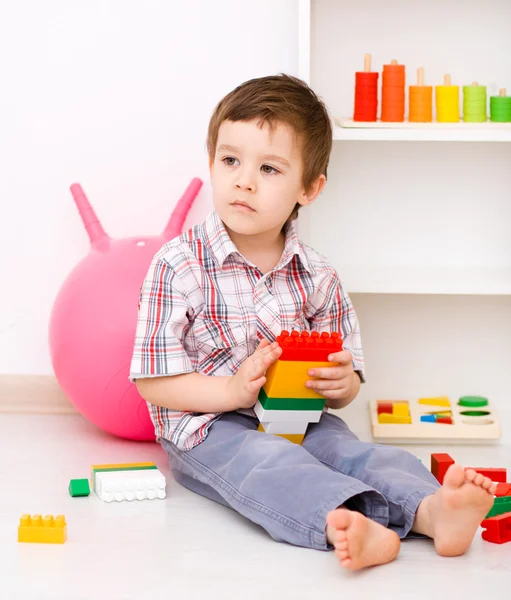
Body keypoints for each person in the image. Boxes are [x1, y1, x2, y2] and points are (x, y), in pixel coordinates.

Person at [129, 74, 495, 570]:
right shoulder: (178, 264)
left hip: (301, 419)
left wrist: (342, 384)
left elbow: (344, 386)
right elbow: (154, 382)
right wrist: (232, 394)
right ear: (212, 161)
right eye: (230, 160)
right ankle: (346, 519)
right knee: (270, 465)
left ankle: (434, 512)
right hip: (210, 428)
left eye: (270, 168)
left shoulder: (318, 274)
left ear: (310, 187)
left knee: (357, 451)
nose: (244, 180)